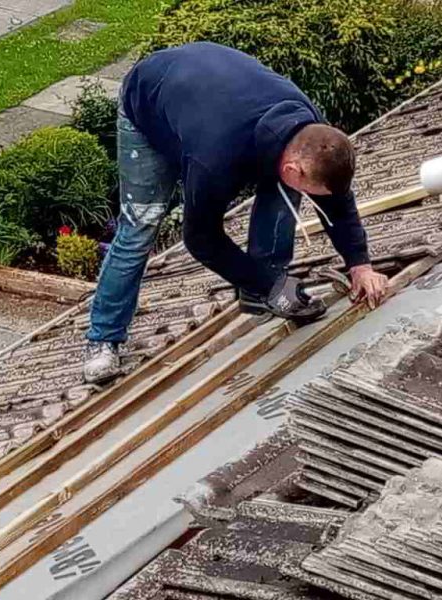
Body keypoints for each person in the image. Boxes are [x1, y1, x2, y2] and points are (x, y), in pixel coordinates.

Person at [84, 42, 388, 383]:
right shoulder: (216, 159)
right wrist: (270, 282)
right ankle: (103, 340)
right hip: (149, 104)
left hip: (206, 95)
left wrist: (359, 264)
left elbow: (335, 198)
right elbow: (201, 239)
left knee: (285, 188)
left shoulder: (311, 134)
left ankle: (261, 294)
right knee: (141, 225)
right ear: (293, 166)